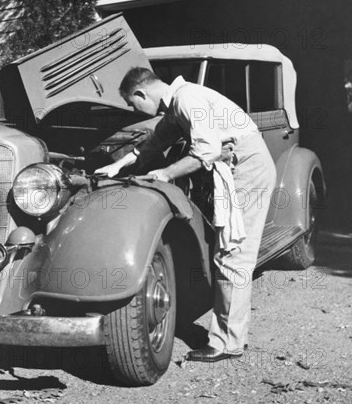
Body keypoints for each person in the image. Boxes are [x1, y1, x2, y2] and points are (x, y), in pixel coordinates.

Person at [96, 67, 277, 362]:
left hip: (247, 169)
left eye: (133, 103)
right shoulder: (178, 101)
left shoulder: (187, 99)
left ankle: (226, 343)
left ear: (142, 93)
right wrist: (118, 166)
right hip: (239, 166)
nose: (134, 110)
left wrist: (165, 174)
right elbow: (155, 142)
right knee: (229, 254)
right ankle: (232, 336)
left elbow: (205, 154)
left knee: (233, 255)